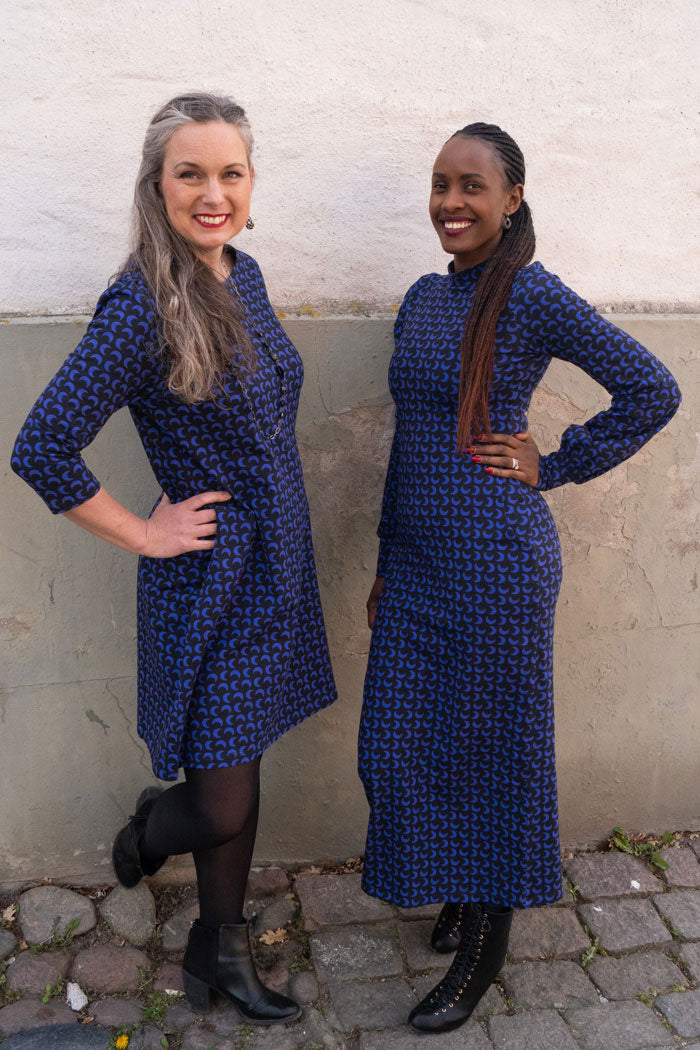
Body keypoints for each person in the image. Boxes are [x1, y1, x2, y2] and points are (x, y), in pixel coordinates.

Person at [11, 92, 337, 1026]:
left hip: (278, 566)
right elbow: (41, 447)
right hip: (211, 582)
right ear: (157, 185)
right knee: (219, 803)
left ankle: (218, 950)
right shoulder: (139, 308)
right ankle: (150, 830)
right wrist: (146, 533)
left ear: (251, 184)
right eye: (190, 173)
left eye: (230, 173)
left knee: (243, 761)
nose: (212, 193)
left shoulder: (244, 273)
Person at [359, 122, 681, 1035]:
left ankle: (483, 949)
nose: (451, 202)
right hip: (418, 562)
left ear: (512, 199)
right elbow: (408, 443)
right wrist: (386, 559)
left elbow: (652, 388)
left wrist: (558, 463)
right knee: (394, 746)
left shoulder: (533, 295)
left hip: (497, 562)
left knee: (491, 750)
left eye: (472, 186)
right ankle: (459, 883)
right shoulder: (424, 298)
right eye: (441, 184)